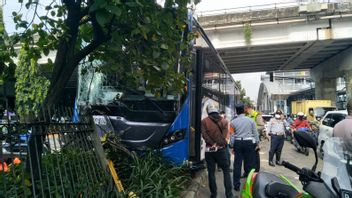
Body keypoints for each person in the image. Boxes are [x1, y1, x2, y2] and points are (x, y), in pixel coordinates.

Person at [201, 104, 233, 198]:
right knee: (226, 171)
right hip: (221, 150)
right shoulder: (224, 121)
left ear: (208, 111)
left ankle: (213, 195)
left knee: (211, 172)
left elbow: (204, 135)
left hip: (209, 151)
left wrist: (211, 143)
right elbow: (224, 137)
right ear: (217, 110)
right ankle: (229, 195)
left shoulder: (204, 121)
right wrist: (218, 144)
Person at [231, 103, 259, 191]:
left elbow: (232, 136)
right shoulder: (251, 120)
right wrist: (257, 143)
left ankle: (236, 185)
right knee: (250, 164)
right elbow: (255, 133)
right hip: (249, 143)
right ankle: (249, 185)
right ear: (244, 110)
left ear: (236, 111)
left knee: (237, 164)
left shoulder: (233, 122)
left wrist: (232, 146)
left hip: (238, 142)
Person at [244, 103, 264, 172]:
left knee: (255, 156)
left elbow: (262, 126)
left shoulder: (257, 115)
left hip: (254, 139)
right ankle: (247, 172)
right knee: (246, 156)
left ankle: (256, 172)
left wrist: (253, 129)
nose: (244, 110)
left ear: (248, 108)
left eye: (245, 108)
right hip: (246, 138)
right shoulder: (246, 115)